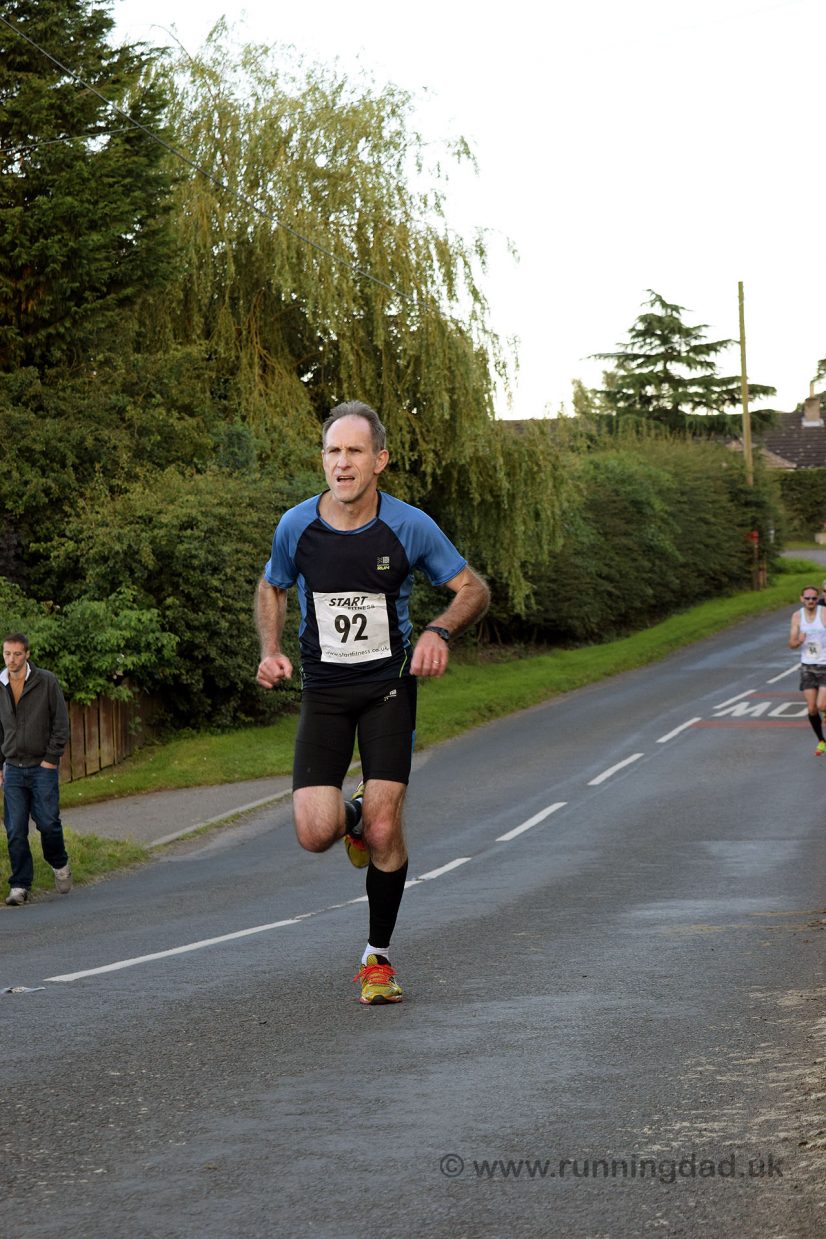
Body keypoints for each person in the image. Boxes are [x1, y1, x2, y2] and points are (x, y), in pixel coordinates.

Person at [255, 400, 490, 1004]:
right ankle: (352, 819)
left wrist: (439, 630)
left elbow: (472, 587)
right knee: (315, 832)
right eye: (333, 451)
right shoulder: (296, 526)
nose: (342, 462)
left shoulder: (409, 526)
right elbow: (272, 584)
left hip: (389, 689)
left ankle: (377, 959)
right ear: (323, 461)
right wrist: (272, 648)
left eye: (355, 451)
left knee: (388, 825)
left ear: (379, 460)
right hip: (325, 692)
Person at [0, 633, 72, 906]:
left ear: (27, 655)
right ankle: (20, 885)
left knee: (48, 823)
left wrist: (51, 758)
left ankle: (59, 862)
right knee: (15, 829)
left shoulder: (46, 681)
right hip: (13, 769)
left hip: (42, 766)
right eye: (7, 653)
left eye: (17, 654)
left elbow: (61, 723)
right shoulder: (0, 684)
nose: (12, 659)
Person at [789, 588, 826, 755]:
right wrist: (798, 641)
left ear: (817, 599)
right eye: (807, 598)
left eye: (813, 598)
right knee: (811, 709)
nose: (810, 601)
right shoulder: (797, 616)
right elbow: (791, 643)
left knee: (821, 704)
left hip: (825, 664)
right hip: (807, 666)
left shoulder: (824, 613)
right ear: (801, 599)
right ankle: (821, 741)